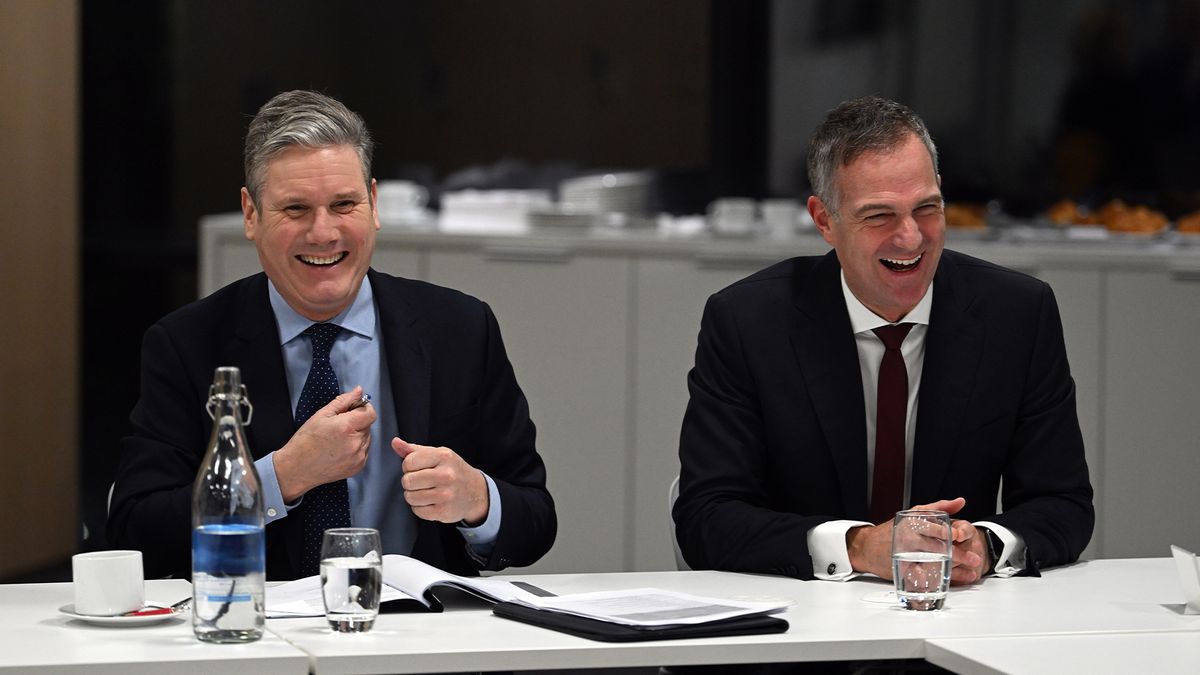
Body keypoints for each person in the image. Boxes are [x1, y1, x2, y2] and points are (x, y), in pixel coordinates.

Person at [108, 90, 556, 580]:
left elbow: (536, 520)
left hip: (419, 636)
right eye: (296, 209)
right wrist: (281, 477)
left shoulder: (461, 328)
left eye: (344, 204)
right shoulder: (187, 344)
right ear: (251, 215)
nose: (323, 233)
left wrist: (476, 500)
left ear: (374, 203)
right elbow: (136, 532)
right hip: (259, 636)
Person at [673, 95, 1094, 585]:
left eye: (927, 208)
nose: (911, 238)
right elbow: (706, 516)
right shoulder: (748, 322)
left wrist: (984, 543)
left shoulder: (1017, 314)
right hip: (802, 623)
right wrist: (857, 547)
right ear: (824, 220)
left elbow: (1063, 505)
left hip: (961, 615)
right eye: (879, 216)